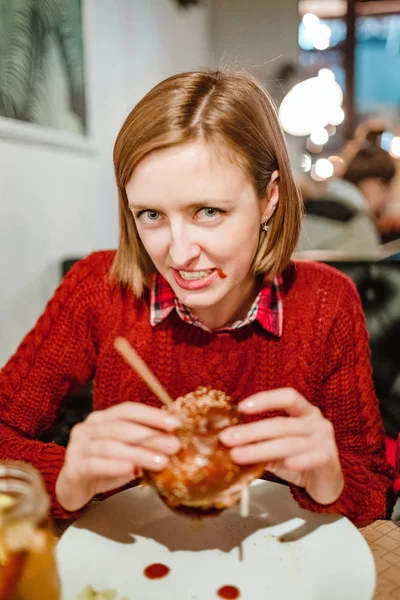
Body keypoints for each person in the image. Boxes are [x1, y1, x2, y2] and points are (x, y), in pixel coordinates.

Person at [0, 70, 394, 526]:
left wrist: (328, 479)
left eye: (208, 211)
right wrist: (67, 480)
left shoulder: (327, 302)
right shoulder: (98, 287)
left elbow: (374, 491)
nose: (180, 253)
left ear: (269, 198)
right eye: (150, 214)